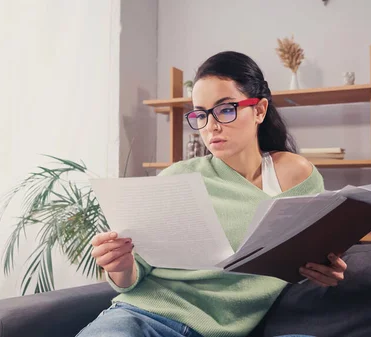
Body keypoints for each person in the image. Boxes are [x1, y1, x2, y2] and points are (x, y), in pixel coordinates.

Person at [77, 51, 347, 337]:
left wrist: (325, 271)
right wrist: (119, 265)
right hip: (143, 319)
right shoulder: (178, 178)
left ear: (259, 110)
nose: (211, 126)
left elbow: (304, 262)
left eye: (226, 109)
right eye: (201, 114)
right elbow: (131, 276)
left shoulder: (297, 176)